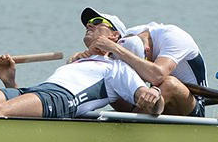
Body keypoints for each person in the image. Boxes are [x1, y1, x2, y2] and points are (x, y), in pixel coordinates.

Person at [0, 8, 164, 118]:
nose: (89, 25)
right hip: (36, 91)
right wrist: (10, 82)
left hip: (60, 99)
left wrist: (155, 95)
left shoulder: (119, 69)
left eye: (96, 22)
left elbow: (155, 107)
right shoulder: (76, 61)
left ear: (114, 35)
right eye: (87, 23)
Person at [71, 20, 207, 117]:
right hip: (152, 101)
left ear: (147, 51)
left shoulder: (175, 38)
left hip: (190, 105)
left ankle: (129, 128)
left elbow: (157, 76)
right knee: (111, 78)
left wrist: (113, 48)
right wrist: (83, 58)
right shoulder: (129, 36)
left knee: (169, 83)